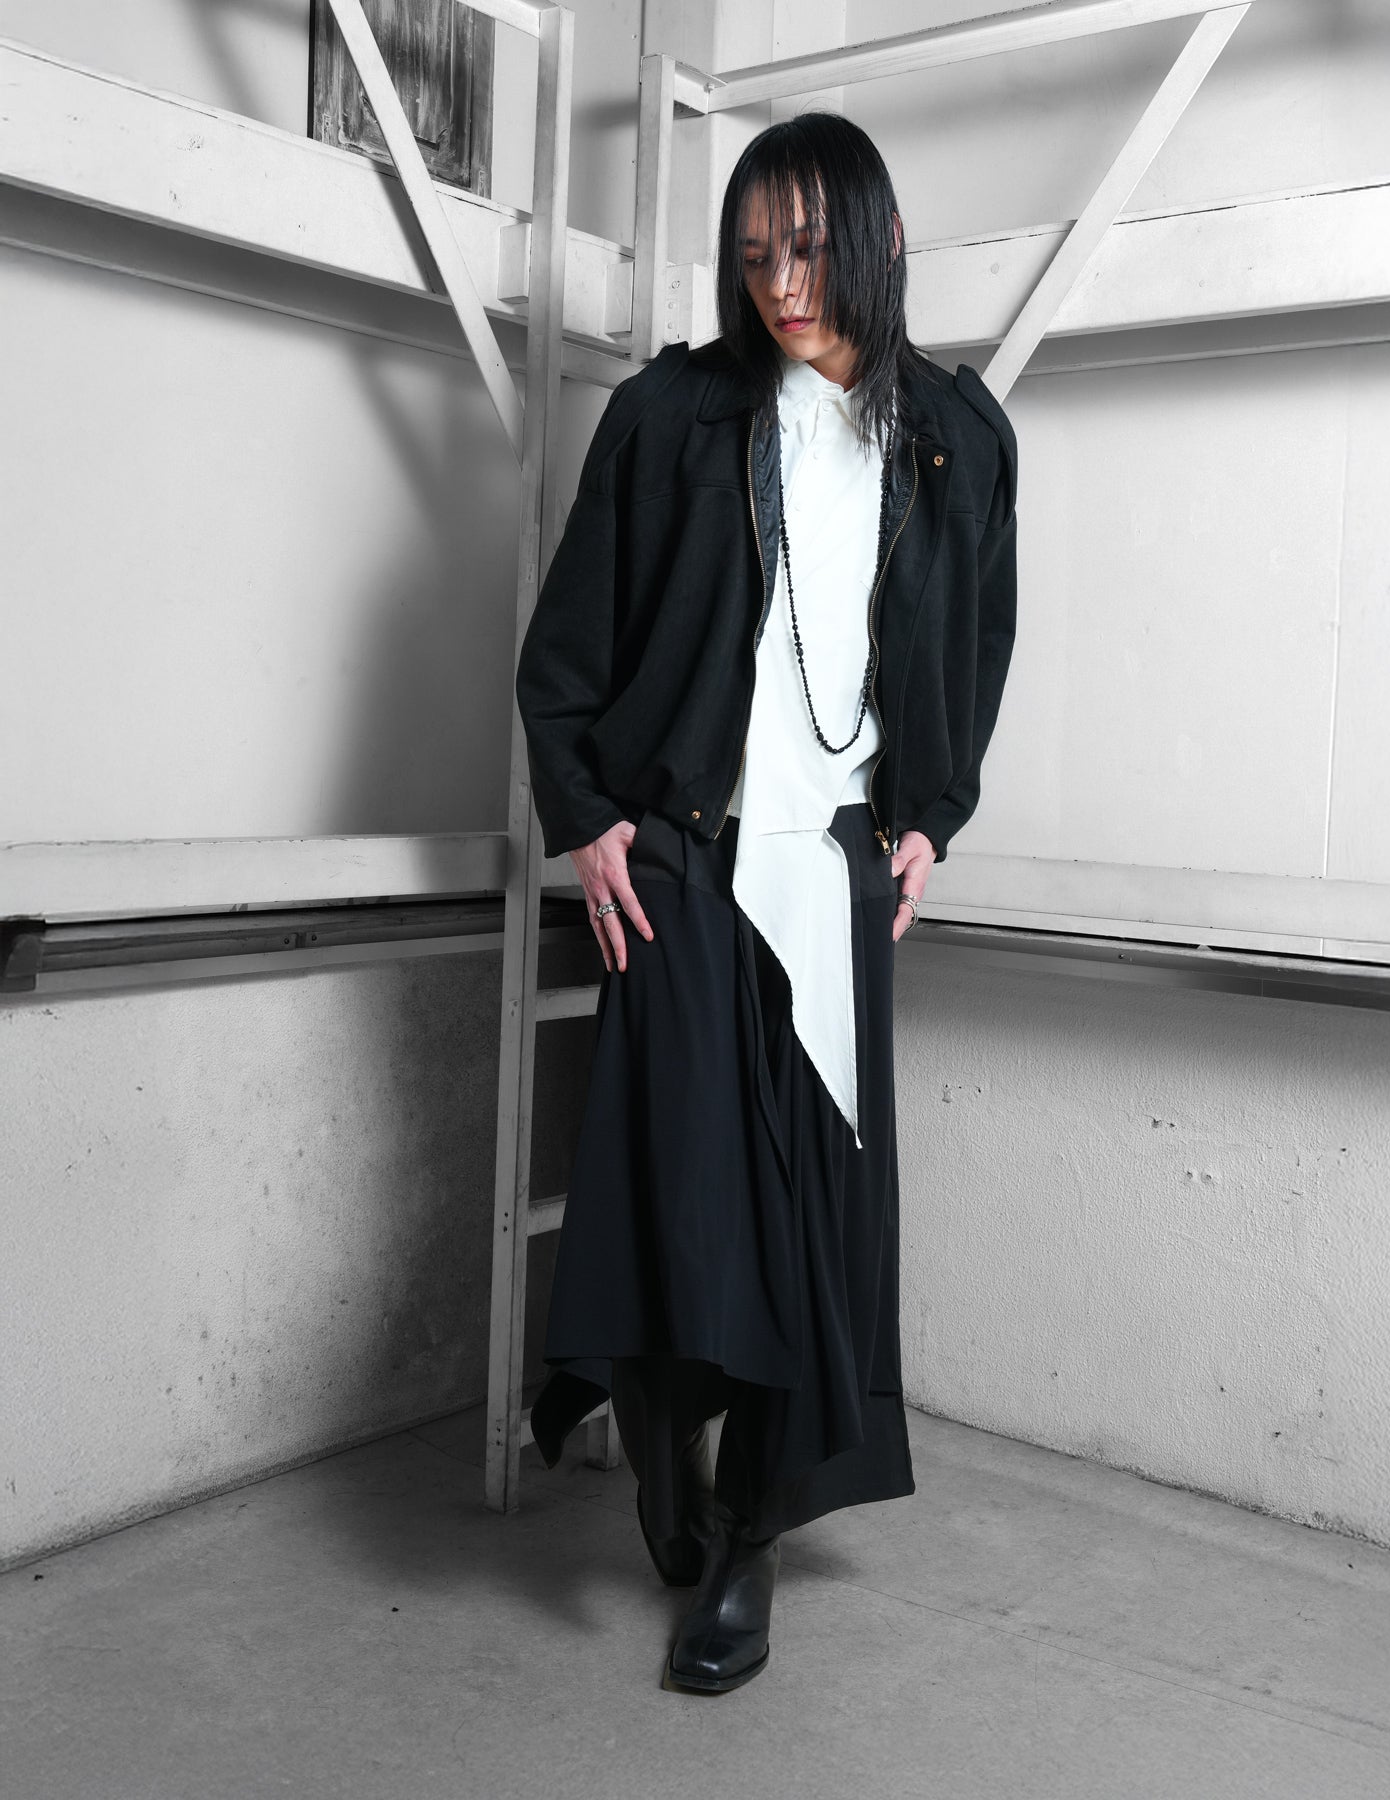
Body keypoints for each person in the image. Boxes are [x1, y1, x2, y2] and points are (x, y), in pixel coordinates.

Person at [514, 111, 1018, 1695]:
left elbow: (977, 644)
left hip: (836, 868)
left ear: (874, 238)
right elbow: (569, 639)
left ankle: (748, 1539)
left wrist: (933, 818)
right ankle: (663, 1441)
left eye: (807, 249)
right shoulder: (671, 416)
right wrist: (585, 816)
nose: (783, 285)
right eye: (752, 258)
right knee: (678, 1190)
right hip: (681, 852)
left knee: (811, 1223)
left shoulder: (955, 436)